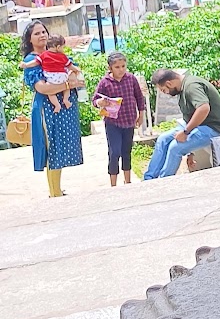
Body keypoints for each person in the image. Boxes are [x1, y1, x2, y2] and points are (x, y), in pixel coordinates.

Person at [21, 19, 84, 197]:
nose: (42, 36)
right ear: (29, 39)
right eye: (37, 33)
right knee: (53, 148)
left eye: (43, 32)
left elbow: (75, 77)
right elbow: (42, 88)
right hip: (46, 109)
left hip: (65, 106)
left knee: (62, 147)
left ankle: (57, 189)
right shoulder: (32, 60)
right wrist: (67, 86)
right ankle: (54, 191)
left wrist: (69, 84)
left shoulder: (59, 55)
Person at [143, 68, 220, 179]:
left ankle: (164, 180)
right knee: (163, 139)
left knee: (175, 147)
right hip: (199, 126)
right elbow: (190, 118)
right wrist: (191, 151)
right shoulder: (181, 89)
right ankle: (149, 179)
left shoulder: (191, 86)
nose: (166, 93)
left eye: (164, 90)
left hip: (214, 128)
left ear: (169, 83)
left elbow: (203, 108)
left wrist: (185, 132)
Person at [92, 51, 146, 186]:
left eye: (123, 66)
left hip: (129, 120)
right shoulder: (105, 83)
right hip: (112, 122)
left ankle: (127, 180)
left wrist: (141, 115)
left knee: (127, 151)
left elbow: (139, 97)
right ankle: (113, 184)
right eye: (117, 67)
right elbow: (95, 100)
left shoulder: (131, 79)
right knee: (114, 151)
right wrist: (100, 103)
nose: (121, 69)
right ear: (110, 68)